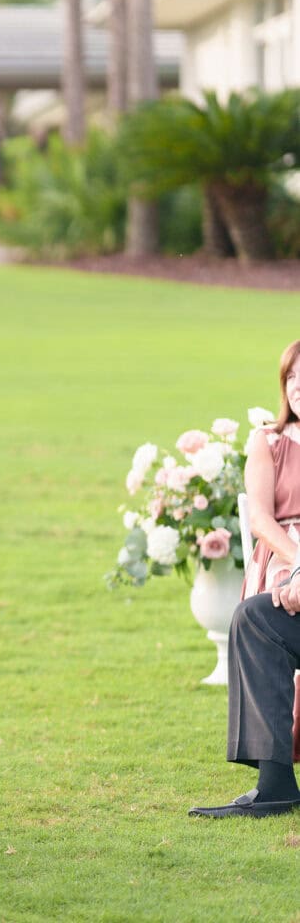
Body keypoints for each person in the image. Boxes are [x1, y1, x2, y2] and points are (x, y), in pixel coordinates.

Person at [192, 339, 300, 818]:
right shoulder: (268, 441)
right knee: (257, 620)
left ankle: (275, 787)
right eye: (291, 377)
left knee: (257, 621)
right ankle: (275, 784)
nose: (297, 386)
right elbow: (259, 518)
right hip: (286, 562)